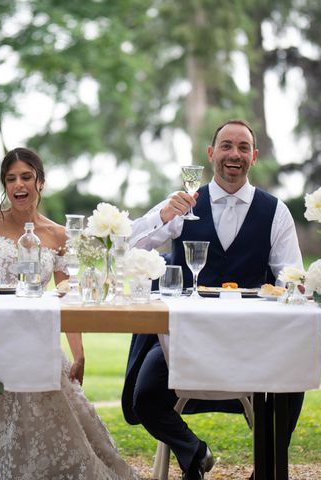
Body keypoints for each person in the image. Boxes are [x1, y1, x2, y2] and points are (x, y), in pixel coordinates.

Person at [0, 143, 138, 480]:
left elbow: (68, 297)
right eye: (11, 179)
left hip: (36, 342)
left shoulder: (58, 235)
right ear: (5, 186)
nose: (18, 185)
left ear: (40, 181)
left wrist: (78, 354)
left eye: (26, 177)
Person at [122, 119, 305, 480]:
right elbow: (126, 248)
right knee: (145, 396)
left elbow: (292, 275)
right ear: (211, 154)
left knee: (294, 376)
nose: (233, 155)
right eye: (226, 146)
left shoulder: (275, 211)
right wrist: (162, 215)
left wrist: (293, 290)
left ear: (254, 155)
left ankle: (266, 471)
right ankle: (195, 453)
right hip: (183, 338)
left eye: (242, 148)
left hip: (251, 339)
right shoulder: (183, 203)